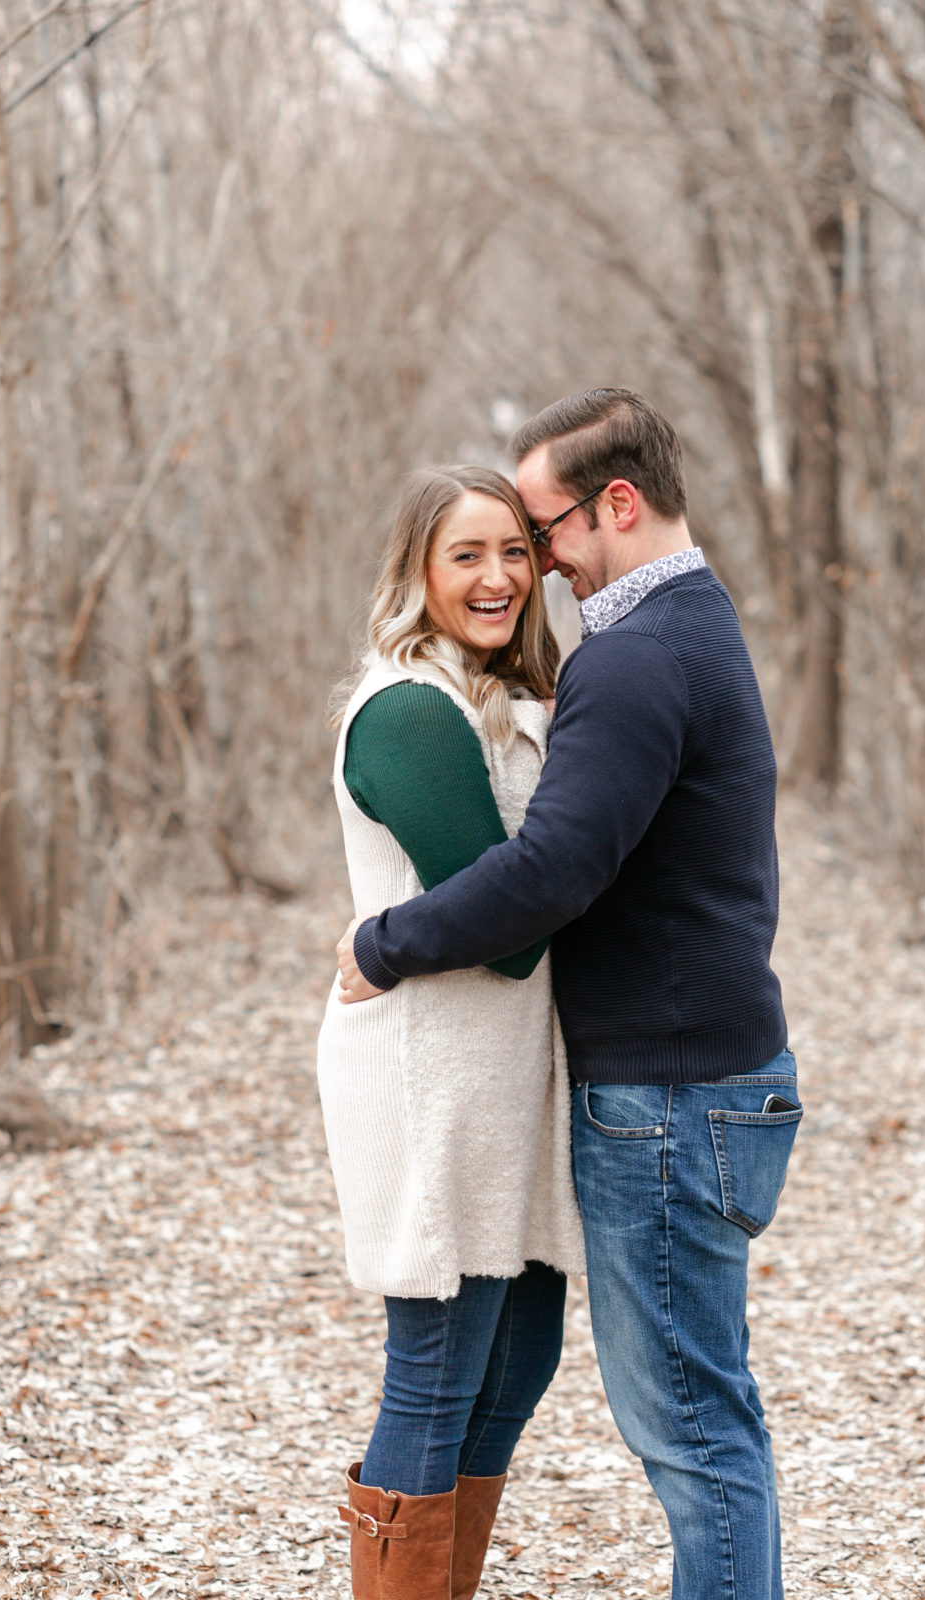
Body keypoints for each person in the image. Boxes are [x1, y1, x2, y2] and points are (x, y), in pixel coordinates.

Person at [337, 389, 803, 1600]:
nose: (526, 565)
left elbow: (548, 873)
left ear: (615, 505)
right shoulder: (681, 629)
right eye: (481, 551)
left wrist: (380, 943)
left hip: (670, 1088)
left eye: (534, 533)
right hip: (661, 1081)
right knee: (680, 1418)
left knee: (692, 1433)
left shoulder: (636, 654)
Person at [316, 464, 585, 1600]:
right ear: (417, 572)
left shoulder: (510, 699)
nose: (495, 577)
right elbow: (509, 922)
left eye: (514, 552)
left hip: (511, 1074)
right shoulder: (410, 710)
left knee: (519, 1356)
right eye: (464, 554)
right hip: (430, 1076)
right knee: (435, 1371)